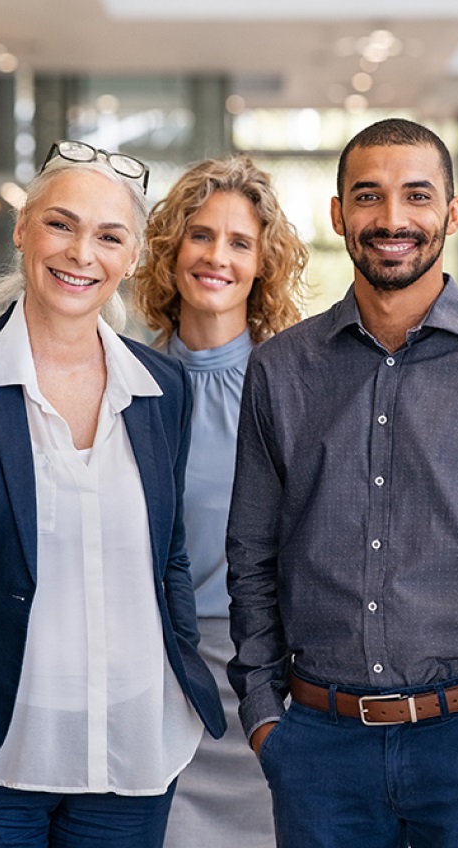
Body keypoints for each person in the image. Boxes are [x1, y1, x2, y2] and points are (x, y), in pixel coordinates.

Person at [0, 139, 225, 848]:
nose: (80, 254)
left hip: (133, 750)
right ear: (22, 228)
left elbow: (171, 555)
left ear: (131, 257)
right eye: (61, 224)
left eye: (108, 236)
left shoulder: (163, 389)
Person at [226, 117, 458, 847]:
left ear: (452, 214)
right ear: (338, 214)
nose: (392, 219)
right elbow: (251, 556)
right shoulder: (280, 369)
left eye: (416, 197)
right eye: (368, 196)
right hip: (319, 751)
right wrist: (268, 717)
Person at [134, 155, 307, 847]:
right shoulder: (126, 381)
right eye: (201, 235)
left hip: (271, 681)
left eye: (240, 242)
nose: (217, 257)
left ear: (264, 262)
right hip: (156, 682)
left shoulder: (296, 387)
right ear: (172, 248)